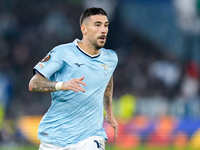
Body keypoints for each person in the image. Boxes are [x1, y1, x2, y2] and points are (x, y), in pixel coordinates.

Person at [29, 7, 118, 150]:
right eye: (97, 25)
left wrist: (109, 113)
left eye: (106, 25)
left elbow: (107, 79)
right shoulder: (62, 52)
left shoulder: (111, 58)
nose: (104, 30)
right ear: (84, 29)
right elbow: (34, 83)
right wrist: (61, 85)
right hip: (55, 137)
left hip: (90, 136)